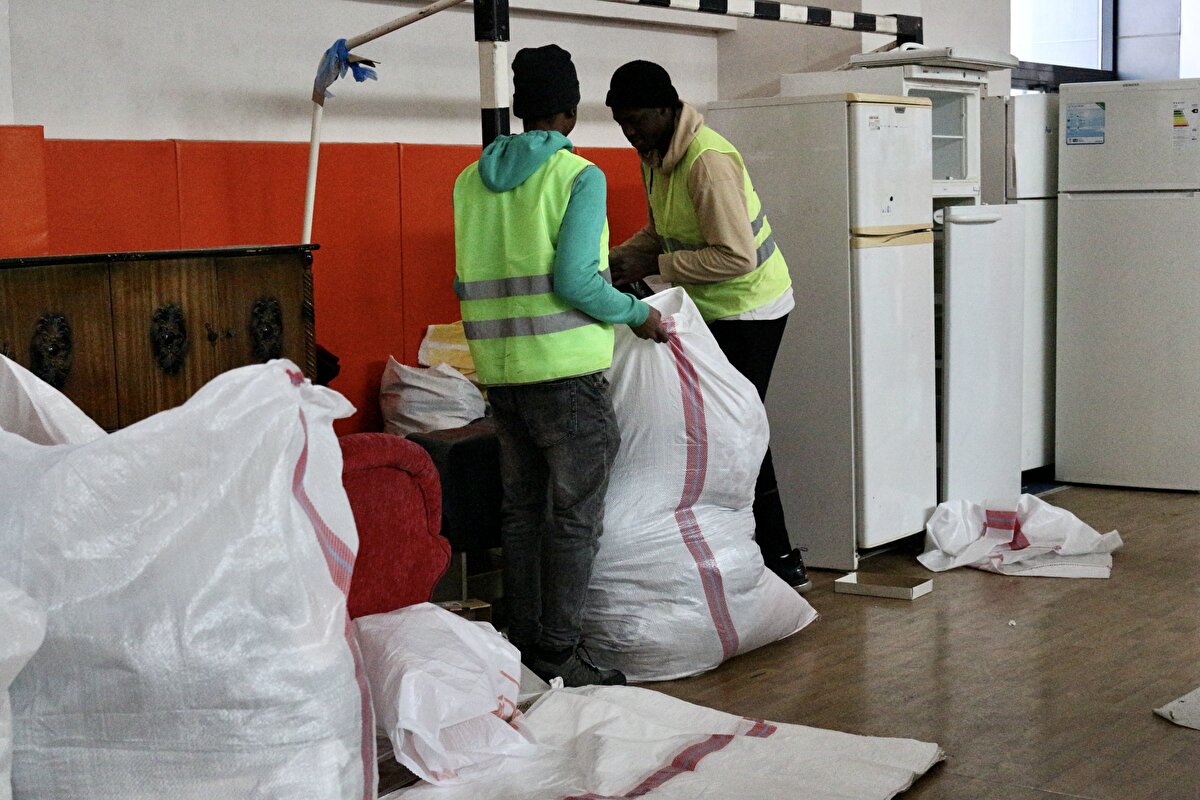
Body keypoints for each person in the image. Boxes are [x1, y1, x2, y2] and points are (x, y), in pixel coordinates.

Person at [452, 45, 669, 687]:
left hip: (499, 372)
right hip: (566, 374)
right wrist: (637, 315)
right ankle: (560, 653)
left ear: (520, 109)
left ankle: (521, 645)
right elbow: (577, 280)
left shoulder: (469, 180)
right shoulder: (579, 176)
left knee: (521, 513)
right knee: (574, 517)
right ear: (570, 112)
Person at [604, 59, 812, 593]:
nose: (628, 132)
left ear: (665, 108)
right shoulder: (656, 153)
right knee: (720, 430)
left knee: (737, 430)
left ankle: (778, 556)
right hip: (712, 309)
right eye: (620, 123)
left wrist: (655, 269)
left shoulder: (707, 161)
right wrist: (618, 258)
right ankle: (738, 552)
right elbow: (663, 229)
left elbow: (736, 256)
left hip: (751, 308)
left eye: (635, 121)